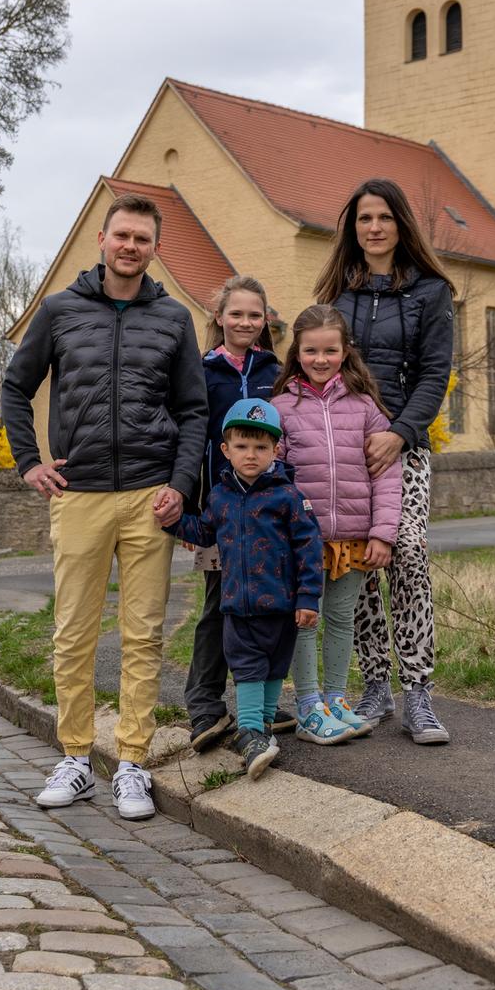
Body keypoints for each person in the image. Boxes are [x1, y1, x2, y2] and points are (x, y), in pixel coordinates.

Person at [1, 192, 209, 820]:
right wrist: (29, 462)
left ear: (154, 248)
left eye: (142, 239)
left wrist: (180, 483)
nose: (130, 247)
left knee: (143, 634)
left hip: (150, 496)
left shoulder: (173, 319)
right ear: (102, 238)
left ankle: (132, 763)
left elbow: (194, 409)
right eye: (122, 235)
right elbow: (15, 387)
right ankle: (75, 757)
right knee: (74, 634)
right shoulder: (60, 310)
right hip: (80, 494)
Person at [312, 178, 454, 744]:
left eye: (384, 218)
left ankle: (418, 691)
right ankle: (375, 685)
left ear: (401, 225)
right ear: (353, 228)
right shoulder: (335, 292)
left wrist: (399, 433)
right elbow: (318, 363)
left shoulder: (431, 292)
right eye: (364, 218)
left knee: (408, 553)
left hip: (404, 447)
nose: (374, 228)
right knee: (358, 565)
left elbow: (434, 375)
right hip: (346, 448)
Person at [170, 399, 323, 780]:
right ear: (226, 449)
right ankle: (250, 733)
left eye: (260, 447)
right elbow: (204, 531)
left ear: (275, 450)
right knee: (248, 668)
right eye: (241, 446)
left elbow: (309, 549)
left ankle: (264, 728)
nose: (251, 454)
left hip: (282, 605)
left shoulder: (288, 497)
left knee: (274, 668)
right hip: (237, 605)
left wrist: (307, 598)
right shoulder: (220, 496)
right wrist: (172, 521)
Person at [272, 305, 401, 745]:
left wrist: (382, 533)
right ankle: (309, 707)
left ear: (345, 351)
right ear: (297, 352)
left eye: (330, 350)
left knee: (342, 618)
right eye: (311, 351)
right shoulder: (281, 408)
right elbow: (272, 478)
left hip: (353, 537)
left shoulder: (365, 407)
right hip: (301, 541)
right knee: (305, 619)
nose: (321, 359)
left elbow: (387, 475)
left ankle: (335, 699)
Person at [182, 276, 294, 754]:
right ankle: (205, 704)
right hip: (221, 508)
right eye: (237, 314)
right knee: (218, 605)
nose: (245, 322)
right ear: (219, 317)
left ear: (265, 319)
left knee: (268, 604)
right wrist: (190, 503)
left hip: (268, 510)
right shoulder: (202, 370)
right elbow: (190, 438)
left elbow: (287, 436)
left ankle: (261, 704)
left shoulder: (275, 371)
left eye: (254, 315)